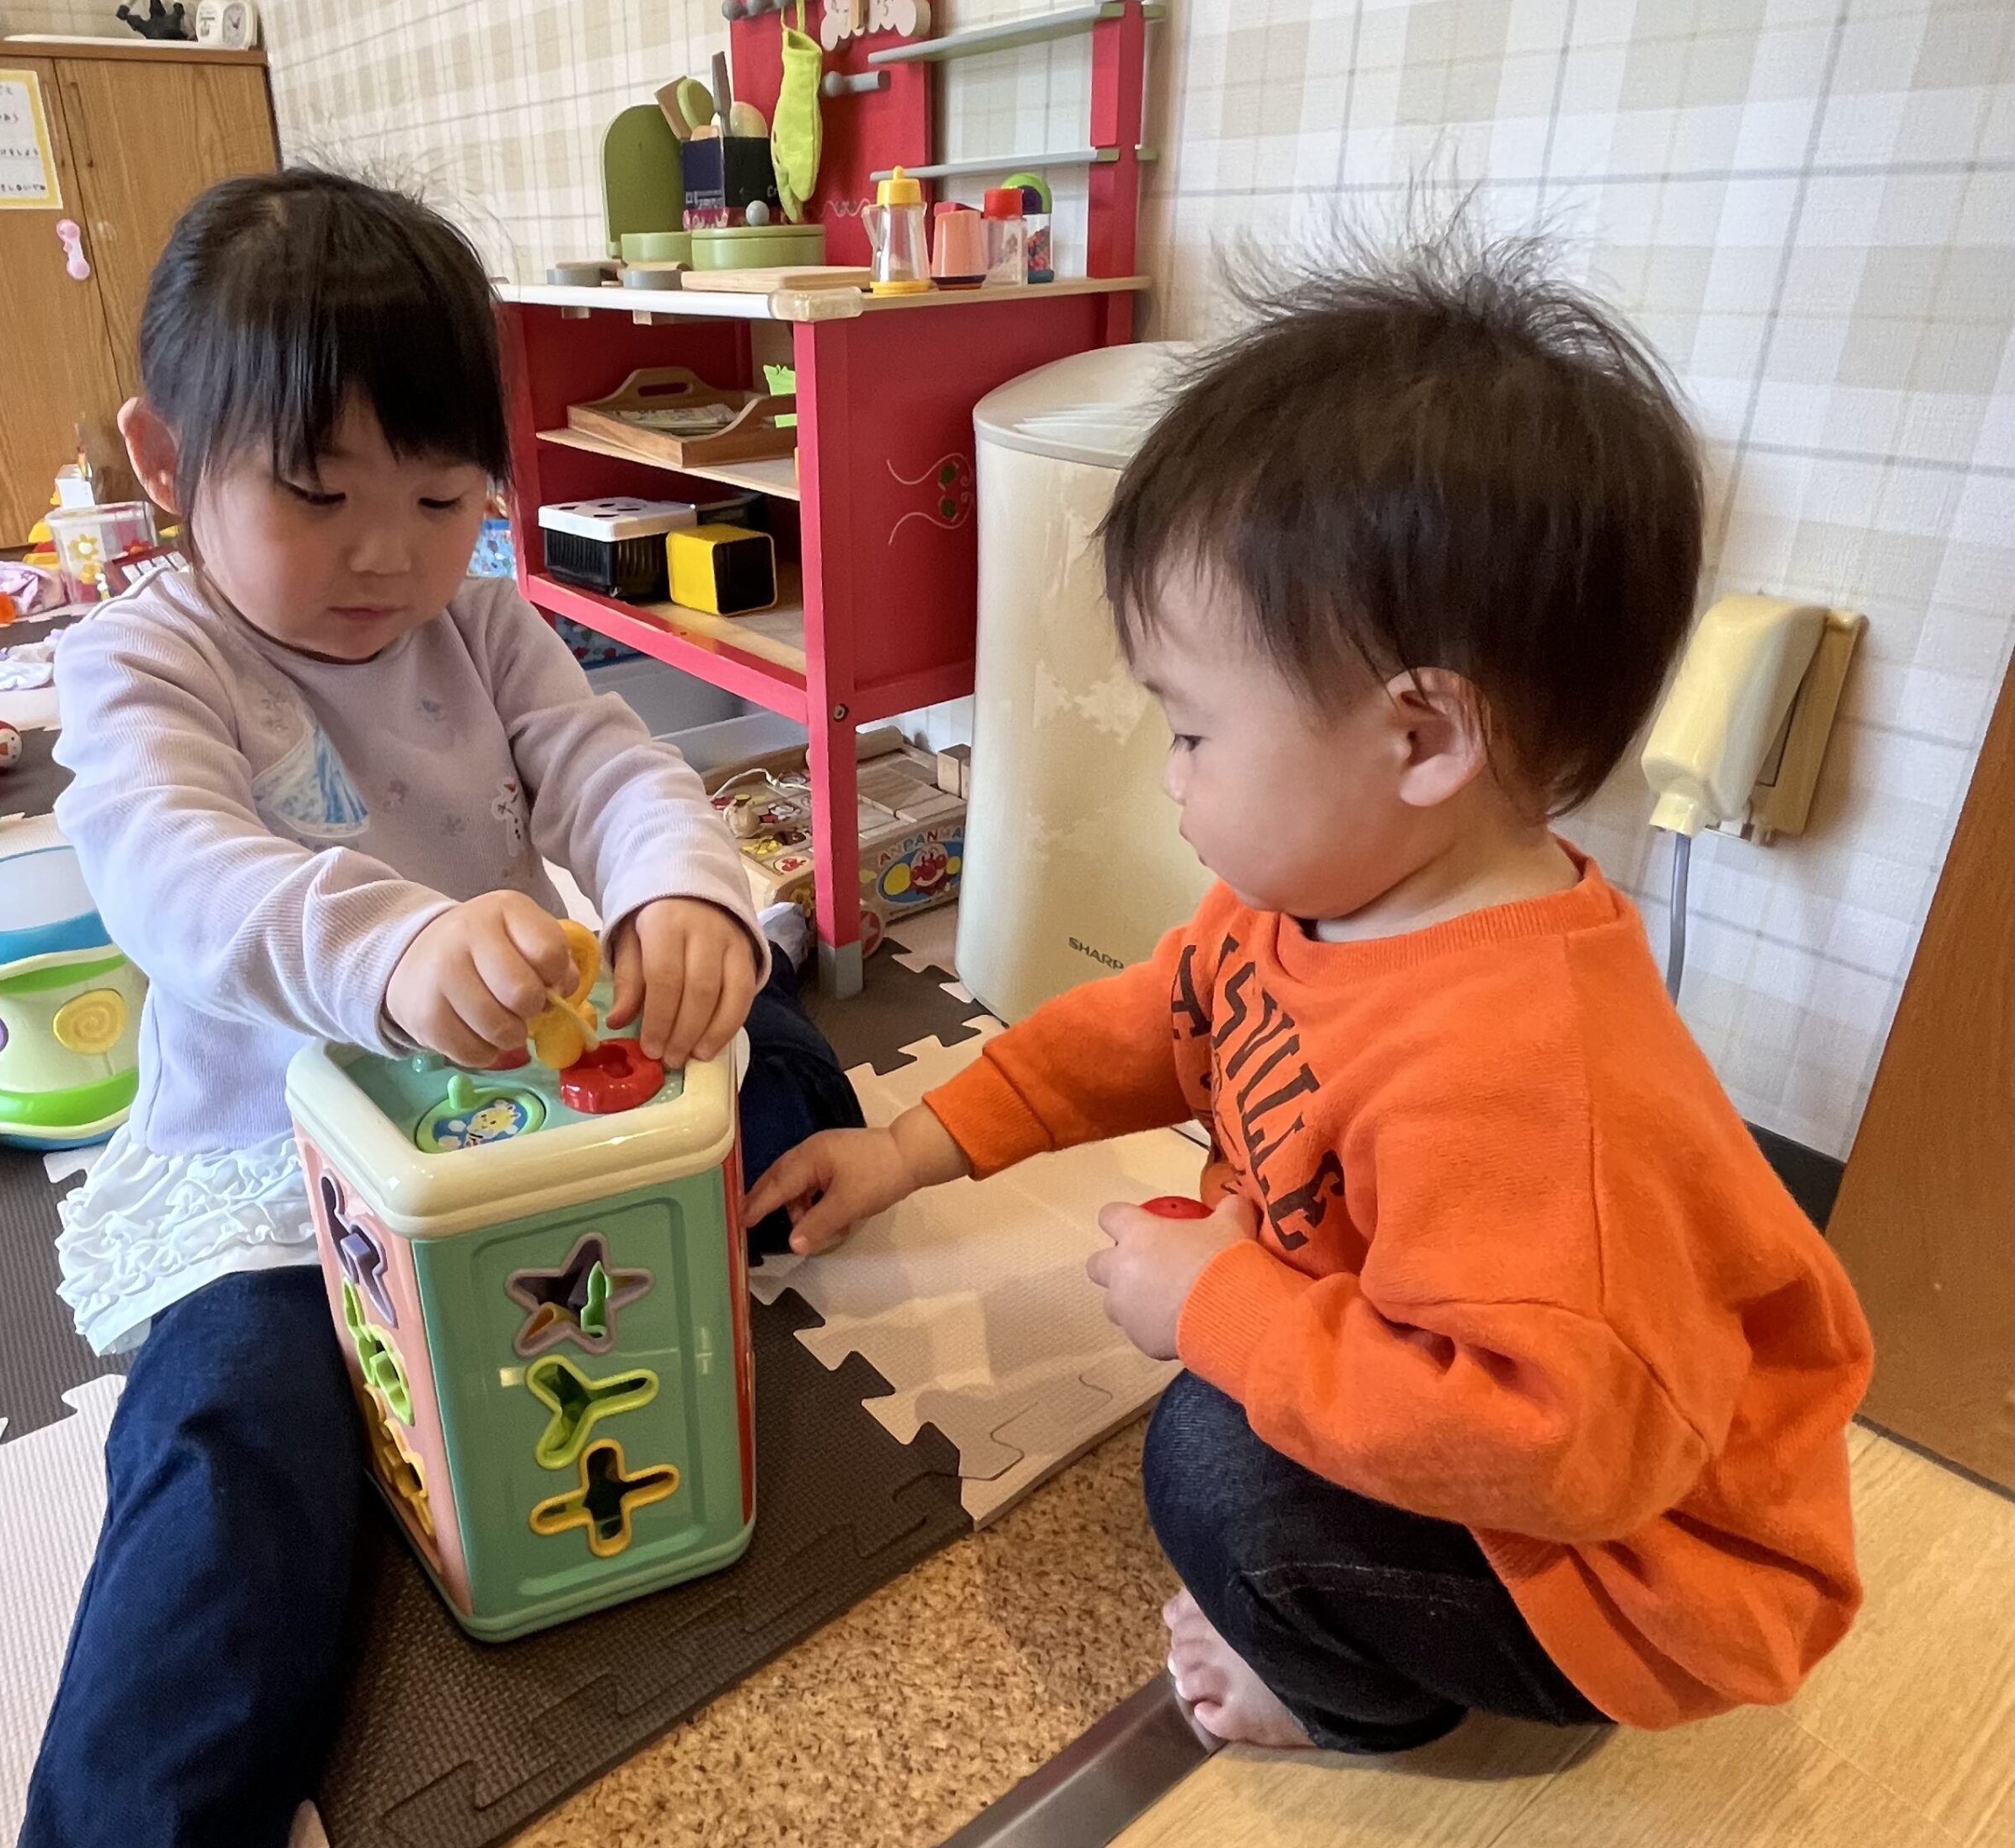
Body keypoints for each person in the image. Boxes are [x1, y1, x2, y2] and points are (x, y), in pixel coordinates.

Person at [747, 228, 1873, 1757]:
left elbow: (1569, 1457)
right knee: (1229, 1408)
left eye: (1194, 732)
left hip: (1633, 1563)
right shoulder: (1309, 902)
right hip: (1457, 1392)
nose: (1172, 775)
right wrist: (905, 1147)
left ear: (1422, 740)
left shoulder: (1530, 1081)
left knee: (1210, 1462)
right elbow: (1140, 1031)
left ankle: (1350, 1697)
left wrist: (1223, 1307)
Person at [0, 169, 859, 1848]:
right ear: (166, 461)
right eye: (316, 495)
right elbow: (175, 873)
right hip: (281, 1170)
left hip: (530, 1112)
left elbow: (607, 760)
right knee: (235, 1468)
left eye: (443, 495)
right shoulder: (145, 661)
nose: (386, 554)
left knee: (784, 1073)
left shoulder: (475, 616)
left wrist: (675, 893)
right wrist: (392, 947)